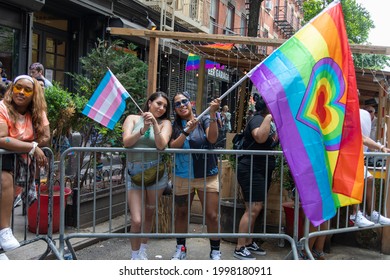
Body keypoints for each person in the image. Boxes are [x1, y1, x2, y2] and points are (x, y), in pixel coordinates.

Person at [169, 91, 221, 260]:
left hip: (207, 174)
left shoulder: (204, 118)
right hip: (183, 176)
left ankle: (215, 251)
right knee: (181, 213)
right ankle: (181, 248)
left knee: (212, 215)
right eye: (177, 104)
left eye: (184, 101)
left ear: (190, 102)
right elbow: (173, 146)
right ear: (175, 109)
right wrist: (186, 131)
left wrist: (212, 114)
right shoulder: (174, 125)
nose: (182, 105)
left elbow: (212, 139)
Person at [0, 75, 50, 252]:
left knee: (6, 205)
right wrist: (31, 146)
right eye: (17, 87)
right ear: (12, 88)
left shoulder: (36, 112)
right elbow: (2, 139)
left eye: (27, 90)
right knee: (4, 187)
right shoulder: (2, 107)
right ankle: (5, 231)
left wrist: (25, 144)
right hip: (4, 163)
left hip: (21, 168)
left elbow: (45, 137)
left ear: (34, 94)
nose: (21, 92)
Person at [122, 91, 172, 260]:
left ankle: (143, 250)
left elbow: (161, 145)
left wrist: (155, 125)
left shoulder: (166, 123)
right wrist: (143, 129)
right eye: (158, 103)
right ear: (149, 103)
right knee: (136, 219)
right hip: (133, 173)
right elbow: (127, 142)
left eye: (165, 106)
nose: (161, 108)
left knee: (149, 213)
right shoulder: (132, 119)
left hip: (156, 173)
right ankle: (134, 256)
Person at [233, 93, 278, 260]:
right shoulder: (258, 119)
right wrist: (269, 117)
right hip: (251, 168)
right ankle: (240, 246)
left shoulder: (269, 120)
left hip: (261, 168)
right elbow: (260, 137)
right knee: (253, 208)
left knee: (255, 207)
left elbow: (271, 141)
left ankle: (248, 241)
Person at [349, 108, 390, 227]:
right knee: (356, 182)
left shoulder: (358, 117)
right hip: (340, 159)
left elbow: (364, 138)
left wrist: (381, 147)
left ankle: (371, 213)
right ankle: (355, 214)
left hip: (355, 159)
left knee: (370, 180)